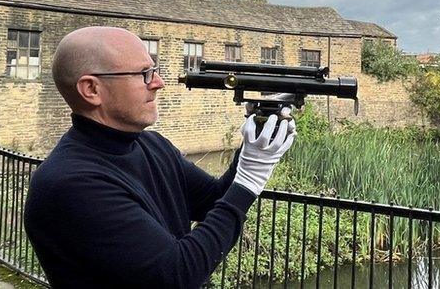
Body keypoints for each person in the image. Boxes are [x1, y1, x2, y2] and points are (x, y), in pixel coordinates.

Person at [24, 26, 295, 288]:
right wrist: (248, 180)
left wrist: (254, 148)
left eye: (154, 70)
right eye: (144, 73)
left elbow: (212, 201)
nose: (158, 83)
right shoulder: (70, 184)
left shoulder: (151, 145)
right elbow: (178, 274)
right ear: (91, 89)